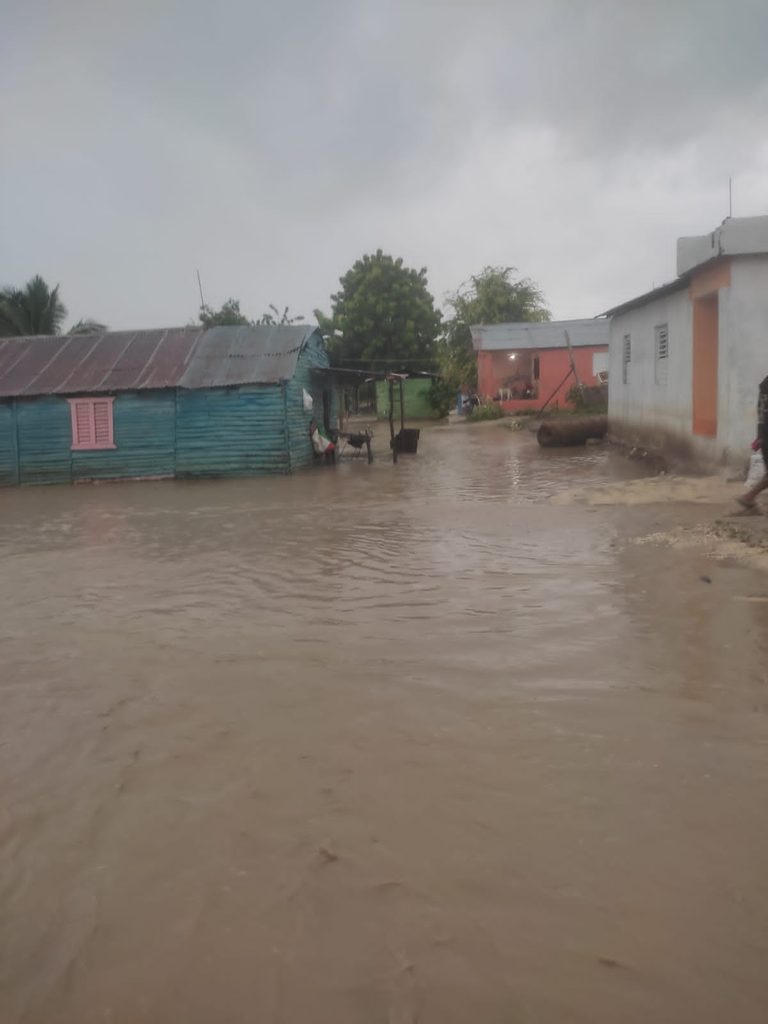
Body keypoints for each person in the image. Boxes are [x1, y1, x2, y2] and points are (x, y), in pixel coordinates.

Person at [736, 375, 768, 511]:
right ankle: (749, 497)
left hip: (764, 433)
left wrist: (760, 435)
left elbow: (762, 414)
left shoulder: (764, 387)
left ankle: (749, 498)